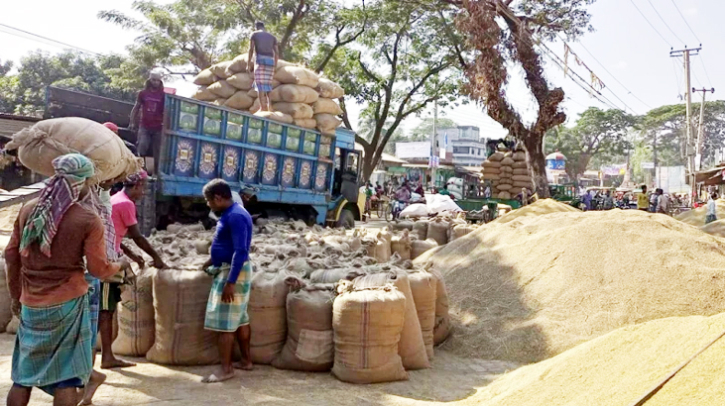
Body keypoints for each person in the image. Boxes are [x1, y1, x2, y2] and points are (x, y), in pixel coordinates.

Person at [4, 154, 127, 406]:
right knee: (67, 378)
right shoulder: (87, 218)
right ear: (81, 182)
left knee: (23, 377)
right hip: (68, 305)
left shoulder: (28, 210)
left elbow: (11, 255)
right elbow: (99, 268)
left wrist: (17, 296)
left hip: (32, 304)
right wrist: (120, 264)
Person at [102, 171, 168, 369]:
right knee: (106, 310)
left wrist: (133, 257)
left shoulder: (114, 199)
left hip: (108, 255)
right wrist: (157, 259)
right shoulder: (126, 204)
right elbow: (137, 236)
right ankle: (106, 358)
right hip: (106, 262)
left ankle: (106, 355)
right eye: (144, 187)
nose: (144, 192)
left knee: (107, 308)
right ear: (137, 185)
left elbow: (115, 236)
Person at [200, 179, 254, 383]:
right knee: (240, 319)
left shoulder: (236, 216)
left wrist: (230, 282)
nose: (208, 205)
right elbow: (226, 245)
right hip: (231, 269)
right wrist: (208, 261)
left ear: (218, 198)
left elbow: (240, 251)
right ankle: (246, 361)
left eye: (208, 201)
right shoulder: (232, 213)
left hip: (234, 272)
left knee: (225, 323)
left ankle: (226, 369)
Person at [130, 72, 166, 169]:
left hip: (158, 127)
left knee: (157, 151)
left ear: (160, 82)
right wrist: (132, 122)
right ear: (150, 81)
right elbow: (136, 107)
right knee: (142, 146)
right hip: (145, 126)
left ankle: (156, 172)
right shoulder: (143, 93)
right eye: (153, 80)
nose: (155, 82)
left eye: (158, 81)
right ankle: (141, 169)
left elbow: (167, 112)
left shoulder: (163, 95)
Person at [247, 21, 278, 112]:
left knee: (260, 84)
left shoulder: (254, 34)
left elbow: (251, 49)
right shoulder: (272, 37)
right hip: (270, 61)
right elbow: (277, 52)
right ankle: (270, 106)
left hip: (260, 60)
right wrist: (275, 65)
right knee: (268, 84)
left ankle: (262, 107)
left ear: (256, 27)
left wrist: (248, 63)